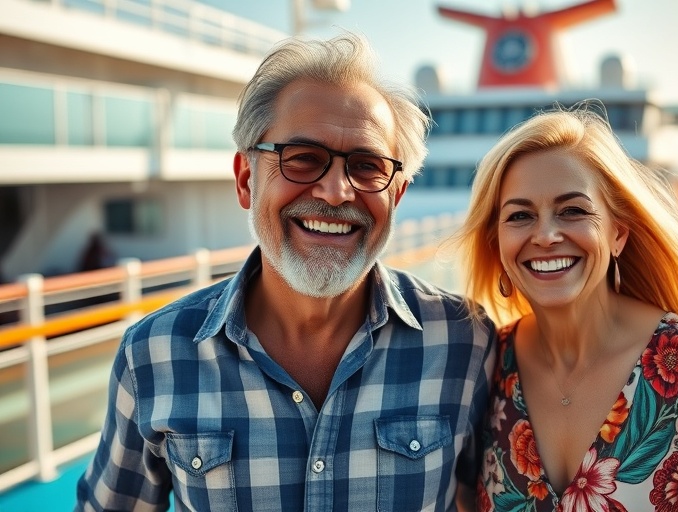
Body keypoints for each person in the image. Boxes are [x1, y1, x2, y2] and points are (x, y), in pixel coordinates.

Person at [76, 33, 495, 511]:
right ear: (245, 179)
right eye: (302, 159)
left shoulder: (464, 341)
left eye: (367, 167)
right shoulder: (153, 354)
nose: (336, 191)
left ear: (396, 195)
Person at [454, 106, 678, 511]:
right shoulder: (488, 364)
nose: (545, 235)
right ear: (497, 243)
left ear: (617, 233)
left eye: (573, 210)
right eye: (520, 215)